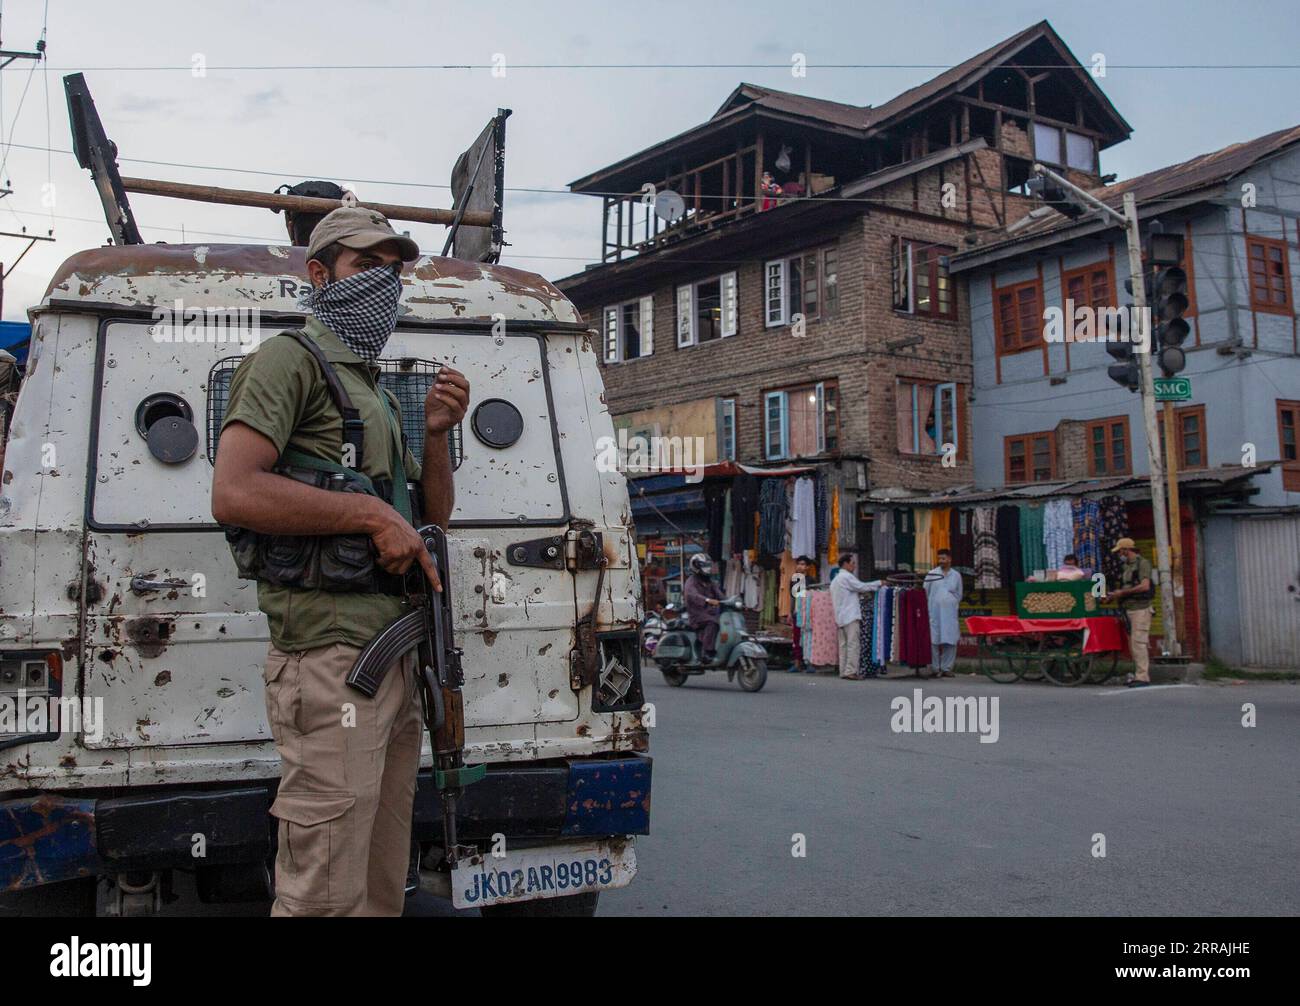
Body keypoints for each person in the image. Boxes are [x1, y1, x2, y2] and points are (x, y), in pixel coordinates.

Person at [211, 207, 471, 916]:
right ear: (319, 275)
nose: (384, 281)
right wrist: (366, 513)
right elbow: (234, 490)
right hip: (330, 661)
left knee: (380, 881)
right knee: (325, 886)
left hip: (390, 655)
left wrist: (438, 435)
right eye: (366, 265)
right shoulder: (288, 362)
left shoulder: (377, 391)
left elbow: (429, 522)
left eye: (394, 268)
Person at [1106, 537, 1154, 688]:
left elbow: (1145, 586)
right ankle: (1138, 674)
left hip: (1140, 608)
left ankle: (1143, 677)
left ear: (1126, 550)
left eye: (1120, 551)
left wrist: (1123, 593)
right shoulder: (1125, 566)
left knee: (1139, 643)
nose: (1119, 554)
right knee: (1133, 644)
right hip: (1128, 609)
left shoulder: (1143, 563)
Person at [828, 554, 882, 680]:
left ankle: (844, 670)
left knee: (843, 645)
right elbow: (861, 587)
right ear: (846, 564)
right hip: (850, 615)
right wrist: (879, 583)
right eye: (852, 563)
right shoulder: (846, 577)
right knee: (853, 644)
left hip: (840, 617)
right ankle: (851, 671)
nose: (854, 566)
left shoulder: (835, 580)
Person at [925, 548, 963, 677]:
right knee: (933, 640)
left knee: (950, 640)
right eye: (939, 559)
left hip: (950, 614)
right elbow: (926, 592)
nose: (941, 561)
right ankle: (935, 668)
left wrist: (950, 602)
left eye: (943, 558)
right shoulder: (932, 574)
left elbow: (959, 594)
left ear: (949, 559)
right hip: (934, 613)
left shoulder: (956, 575)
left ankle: (947, 668)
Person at [683, 552, 724, 662]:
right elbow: (692, 595)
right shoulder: (691, 582)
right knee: (713, 622)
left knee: (722, 621)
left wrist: (731, 600)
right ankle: (706, 652)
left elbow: (720, 594)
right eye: (704, 566)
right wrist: (707, 600)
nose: (708, 569)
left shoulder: (710, 582)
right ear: (696, 567)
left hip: (709, 613)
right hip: (696, 615)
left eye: (708, 566)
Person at [788, 555, 811, 672]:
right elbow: (793, 598)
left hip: (808, 613)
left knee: (808, 637)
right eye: (798, 564)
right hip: (797, 612)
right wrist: (789, 613)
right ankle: (797, 663)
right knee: (796, 639)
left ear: (807, 567)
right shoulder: (795, 579)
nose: (800, 566)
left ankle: (809, 663)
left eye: (803, 564)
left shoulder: (811, 580)